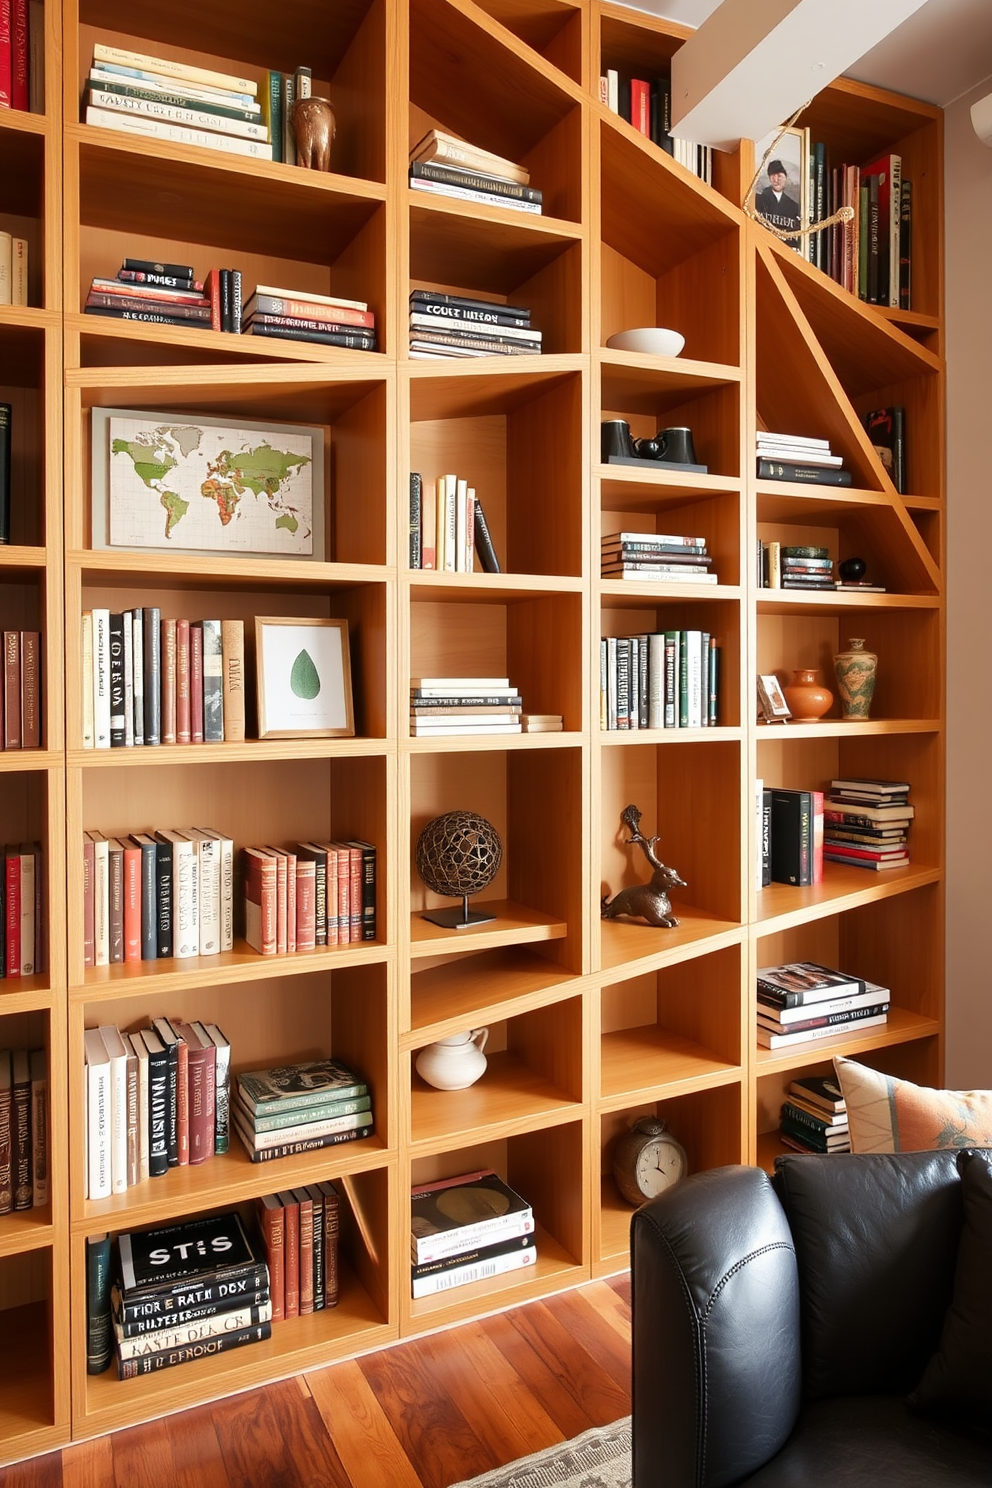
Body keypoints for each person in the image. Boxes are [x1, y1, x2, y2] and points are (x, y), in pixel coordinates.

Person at [754, 158, 801, 243]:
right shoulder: (758, 200)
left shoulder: (794, 206)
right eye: (772, 176)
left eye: (779, 176)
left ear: (785, 178)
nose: (776, 180)